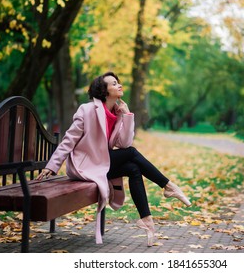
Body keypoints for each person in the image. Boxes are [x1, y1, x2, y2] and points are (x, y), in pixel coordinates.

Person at [36, 71, 191, 247]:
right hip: (86, 165)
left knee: (133, 168)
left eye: (118, 82)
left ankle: (146, 219)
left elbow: (124, 143)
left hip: (102, 163)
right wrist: (52, 165)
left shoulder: (117, 113)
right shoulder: (87, 110)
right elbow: (68, 140)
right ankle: (168, 186)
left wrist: (127, 116)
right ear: (104, 91)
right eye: (114, 83)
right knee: (132, 154)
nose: (119, 85)